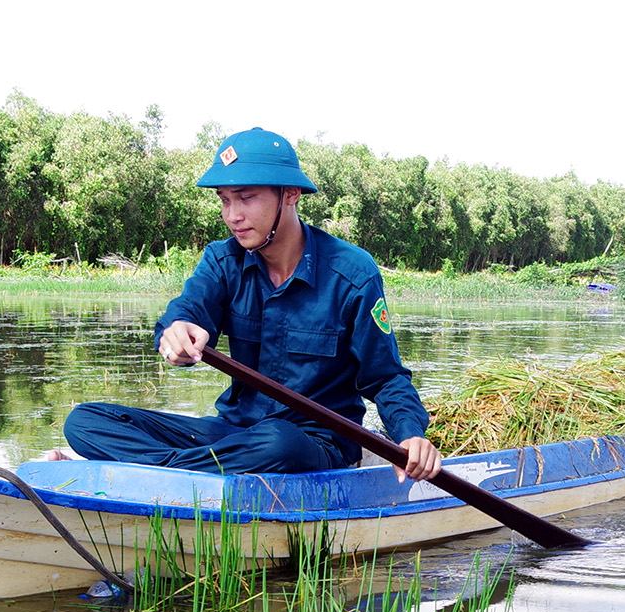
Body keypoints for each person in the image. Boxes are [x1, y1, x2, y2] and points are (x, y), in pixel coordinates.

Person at [62, 127, 443, 481]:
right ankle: (181, 472)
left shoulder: (352, 273)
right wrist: (176, 330)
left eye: (245, 198)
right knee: (84, 421)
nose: (233, 216)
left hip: (310, 444)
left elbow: (386, 376)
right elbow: (187, 311)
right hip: (233, 435)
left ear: (290, 194)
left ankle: (143, 471)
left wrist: (410, 435)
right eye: (225, 200)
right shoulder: (222, 260)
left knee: (279, 443)